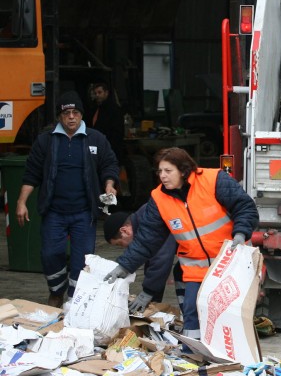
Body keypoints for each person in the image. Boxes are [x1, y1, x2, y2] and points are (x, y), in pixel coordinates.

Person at [104, 147, 259, 341]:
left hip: (228, 263)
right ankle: (193, 355)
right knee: (191, 311)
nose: (163, 176)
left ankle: (230, 354)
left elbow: (245, 207)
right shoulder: (159, 199)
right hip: (196, 268)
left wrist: (240, 233)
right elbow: (147, 240)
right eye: (160, 171)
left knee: (228, 313)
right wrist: (124, 266)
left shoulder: (214, 180)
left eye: (168, 171)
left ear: (183, 170)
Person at [16, 90, 119, 308]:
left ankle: (74, 299)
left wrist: (109, 185)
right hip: (54, 211)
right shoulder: (46, 141)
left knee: (83, 258)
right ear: (60, 117)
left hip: (84, 211)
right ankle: (56, 291)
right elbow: (32, 173)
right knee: (51, 253)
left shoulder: (96, 138)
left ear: (81, 115)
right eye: (67, 113)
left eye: (75, 112)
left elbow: (109, 164)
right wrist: (21, 201)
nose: (71, 117)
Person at [104, 209, 185, 313]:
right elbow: (150, 257)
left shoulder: (151, 219)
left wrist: (147, 293)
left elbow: (160, 258)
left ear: (124, 231)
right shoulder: (143, 216)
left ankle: (193, 321)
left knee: (184, 273)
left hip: (207, 247)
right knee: (180, 271)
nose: (123, 247)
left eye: (119, 244)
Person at [86, 82, 125, 164]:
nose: (97, 95)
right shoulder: (95, 108)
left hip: (109, 149)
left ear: (106, 93)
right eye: (95, 93)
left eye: (99, 92)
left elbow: (116, 134)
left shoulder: (114, 110)